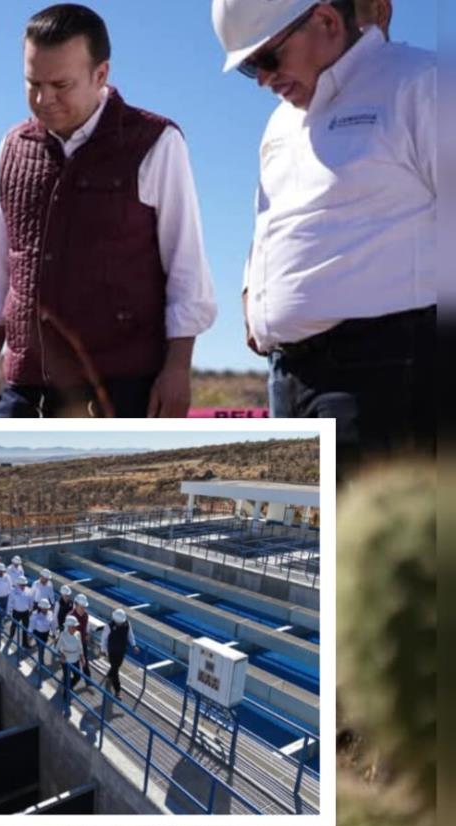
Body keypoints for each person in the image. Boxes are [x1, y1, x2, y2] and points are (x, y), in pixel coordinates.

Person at [213, 0, 434, 480]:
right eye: (249, 67)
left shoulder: (422, 83)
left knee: (373, 548)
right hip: (287, 377)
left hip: (382, 373)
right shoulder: (280, 122)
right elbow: (272, 218)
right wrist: (255, 289)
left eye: (267, 58)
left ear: (328, 21)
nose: (262, 79)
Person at [0, 3, 216, 418]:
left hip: (121, 390)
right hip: (23, 387)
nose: (44, 99)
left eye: (61, 84)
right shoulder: (12, 147)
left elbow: (186, 269)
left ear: (101, 75)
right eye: (33, 83)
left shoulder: (156, 142)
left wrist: (177, 370)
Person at [100, 608, 141, 698]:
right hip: (112, 651)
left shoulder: (127, 624)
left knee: (116, 666)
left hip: (121, 650)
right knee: (115, 670)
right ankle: (117, 690)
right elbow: (104, 639)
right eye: (118, 622)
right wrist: (103, 650)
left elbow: (130, 635)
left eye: (121, 622)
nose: (120, 624)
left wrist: (134, 645)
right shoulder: (109, 626)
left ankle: (110, 676)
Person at [70, 593, 95, 683]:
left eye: (84, 607)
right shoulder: (71, 617)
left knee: (85, 661)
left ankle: (88, 680)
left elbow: (86, 626)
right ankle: (69, 684)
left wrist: (87, 634)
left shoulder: (86, 615)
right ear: (76, 605)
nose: (83, 609)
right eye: (81, 607)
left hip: (82, 642)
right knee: (74, 664)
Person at [58, 616, 86, 694]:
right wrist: (61, 654)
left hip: (75, 659)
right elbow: (58, 647)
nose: (75, 629)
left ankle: (69, 686)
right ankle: (66, 695)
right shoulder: (63, 635)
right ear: (68, 627)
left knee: (78, 677)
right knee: (67, 678)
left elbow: (80, 647)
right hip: (66, 661)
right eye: (73, 627)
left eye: (75, 627)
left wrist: (82, 657)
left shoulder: (78, 634)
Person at [9, 575, 35, 647]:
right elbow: (10, 602)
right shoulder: (13, 591)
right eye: (22, 585)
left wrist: (31, 609)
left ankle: (25, 643)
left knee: (26, 628)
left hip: (25, 612)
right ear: (18, 584)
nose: (23, 586)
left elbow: (30, 601)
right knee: (14, 625)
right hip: (16, 612)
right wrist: (9, 612)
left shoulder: (28, 591)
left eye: (24, 584)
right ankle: (11, 635)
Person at [29, 598, 56, 666]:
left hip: (46, 634)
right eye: (44, 608)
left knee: (42, 648)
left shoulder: (50, 614)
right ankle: (41, 663)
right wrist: (29, 635)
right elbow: (32, 625)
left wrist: (54, 633)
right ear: (40, 607)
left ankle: (40, 661)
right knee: (41, 648)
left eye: (47, 608)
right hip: (38, 634)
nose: (46, 610)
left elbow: (52, 624)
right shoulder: (35, 614)